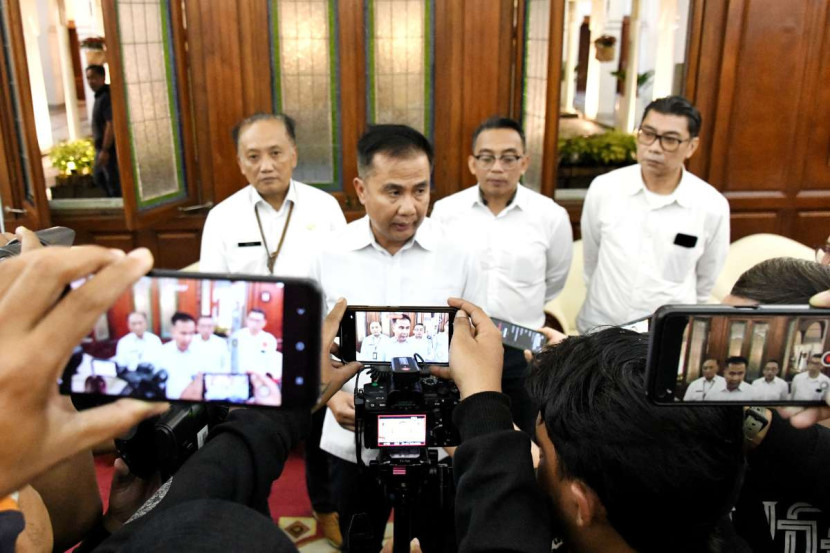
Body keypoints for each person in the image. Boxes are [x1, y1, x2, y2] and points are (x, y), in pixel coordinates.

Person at [438, 298, 745, 553]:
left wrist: (482, 404)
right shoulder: (703, 499)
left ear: (582, 504)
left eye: (542, 455)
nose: (535, 463)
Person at [308, 124, 482, 552]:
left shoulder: (458, 253)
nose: (410, 207)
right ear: (361, 189)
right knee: (358, 540)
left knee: (439, 541)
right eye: (393, 192)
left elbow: (475, 339)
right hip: (352, 438)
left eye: (420, 190)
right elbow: (311, 340)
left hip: (435, 442)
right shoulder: (327, 254)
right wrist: (331, 396)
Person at [431, 116, 572, 433]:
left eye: (509, 158)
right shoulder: (445, 213)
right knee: (463, 433)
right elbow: (438, 274)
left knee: (525, 435)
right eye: (487, 157)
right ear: (472, 163)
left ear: (524, 163)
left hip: (524, 347)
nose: (497, 167)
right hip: (464, 341)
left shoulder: (550, 215)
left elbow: (555, 280)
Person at [577, 96, 729, 333]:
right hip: (601, 328)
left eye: (670, 140)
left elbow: (705, 281)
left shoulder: (711, 205)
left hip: (662, 336)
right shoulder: (605, 188)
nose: (655, 147)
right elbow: (591, 260)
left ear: (691, 146)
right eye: (648, 134)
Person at [199, 113, 347, 276]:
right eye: (253, 157)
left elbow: (344, 274)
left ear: (293, 156)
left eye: (275, 153)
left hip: (312, 302)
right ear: (241, 164)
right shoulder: (221, 218)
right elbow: (213, 286)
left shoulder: (325, 206)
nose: (266, 167)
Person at [85, 65, 121, 198]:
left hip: (108, 150)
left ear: (102, 77)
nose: (91, 81)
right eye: (88, 78)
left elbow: (111, 124)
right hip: (102, 148)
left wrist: (105, 150)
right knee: (100, 178)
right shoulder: (99, 96)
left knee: (111, 183)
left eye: (94, 77)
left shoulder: (105, 96)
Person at [154, 312, 200, 400]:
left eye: (191, 333)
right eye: (183, 333)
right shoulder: (162, 352)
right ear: (173, 332)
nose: (188, 338)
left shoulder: (199, 352)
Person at [229, 309, 281, 378]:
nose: (254, 323)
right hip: (239, 376)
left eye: (257, 321)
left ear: (264, 323)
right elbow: (231, 357)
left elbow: (270, 361)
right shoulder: (236, 337)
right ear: (246, 320)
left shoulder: (269, 339)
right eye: (251, 319)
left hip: (260, 378)